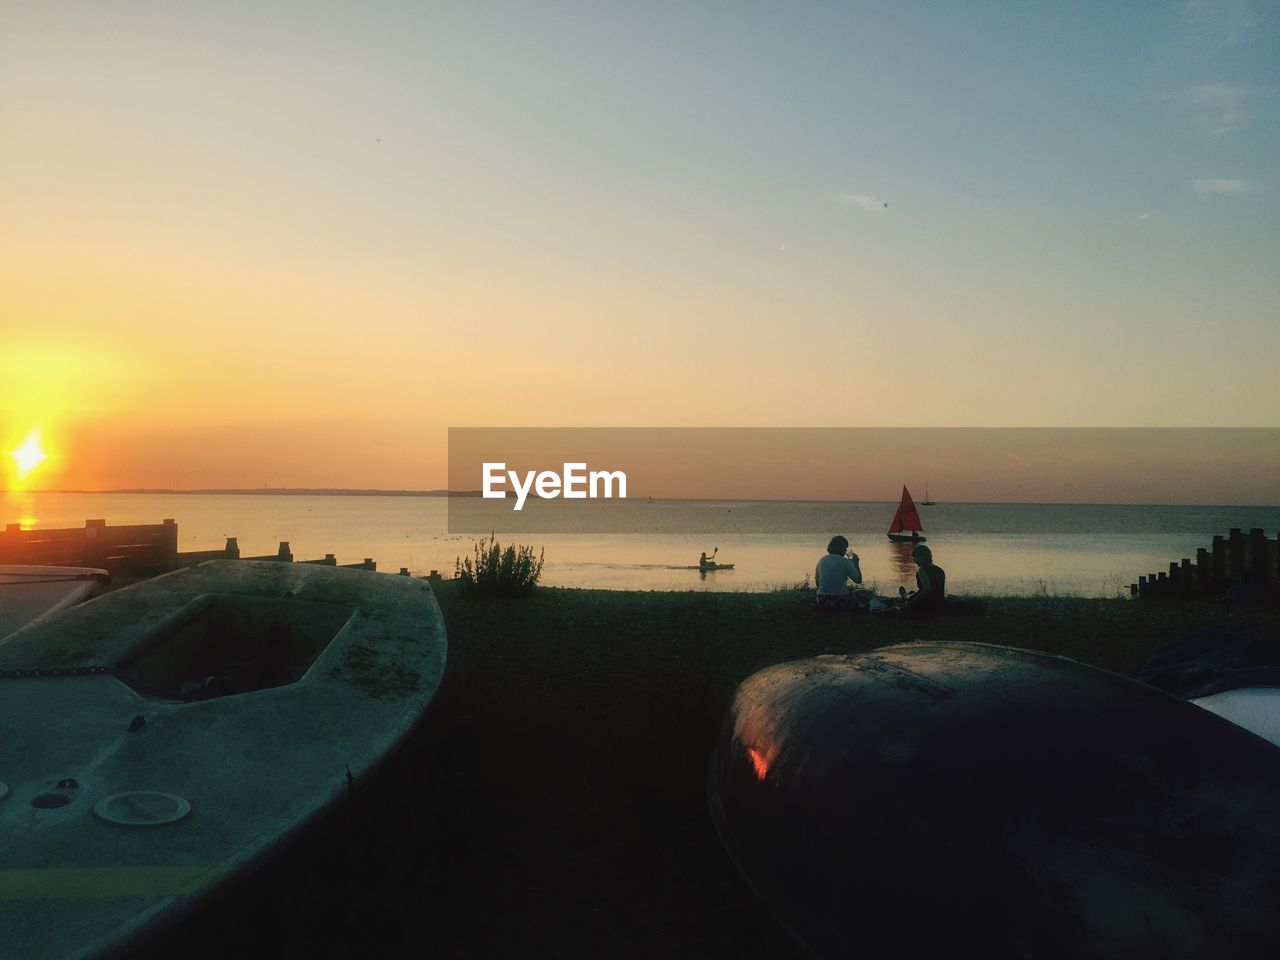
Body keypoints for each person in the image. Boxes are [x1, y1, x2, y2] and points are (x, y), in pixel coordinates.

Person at [814, 535, 863, 608]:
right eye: (845, 548)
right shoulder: (845, 562)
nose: (846, 551)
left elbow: (818, 583)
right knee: (865, 593)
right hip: (840, 600)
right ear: (842, 548)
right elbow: (858, 580)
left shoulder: (822, 560)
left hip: (822, 600)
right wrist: (856, 563)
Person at [901, 544, 946, 617]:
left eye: (915, 558)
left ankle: (905, 595)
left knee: (910, 598)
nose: (914, 561)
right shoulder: (940, 570)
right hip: (940, 604)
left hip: (927, 604)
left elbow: (927, 589)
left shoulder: (922, 570)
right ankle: (906, 595)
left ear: (921, 557)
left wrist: (910, 604)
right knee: (913, 594)